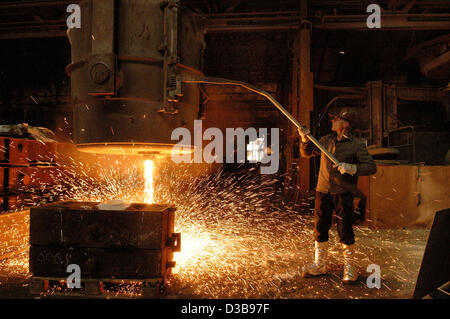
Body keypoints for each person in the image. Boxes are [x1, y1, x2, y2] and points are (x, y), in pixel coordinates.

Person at [298, 107, 377, 283]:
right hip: (323, 190)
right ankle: (320, 264)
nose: (333, 121)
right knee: (320, 227)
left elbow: (371, 167)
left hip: (343, 192)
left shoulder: (357, 145)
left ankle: (349, 267)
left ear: (346, 124)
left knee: (345, 229)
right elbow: (307, 153)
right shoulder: (326, 140)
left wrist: (352, 168)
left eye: (337, 119)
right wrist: (304, 138)